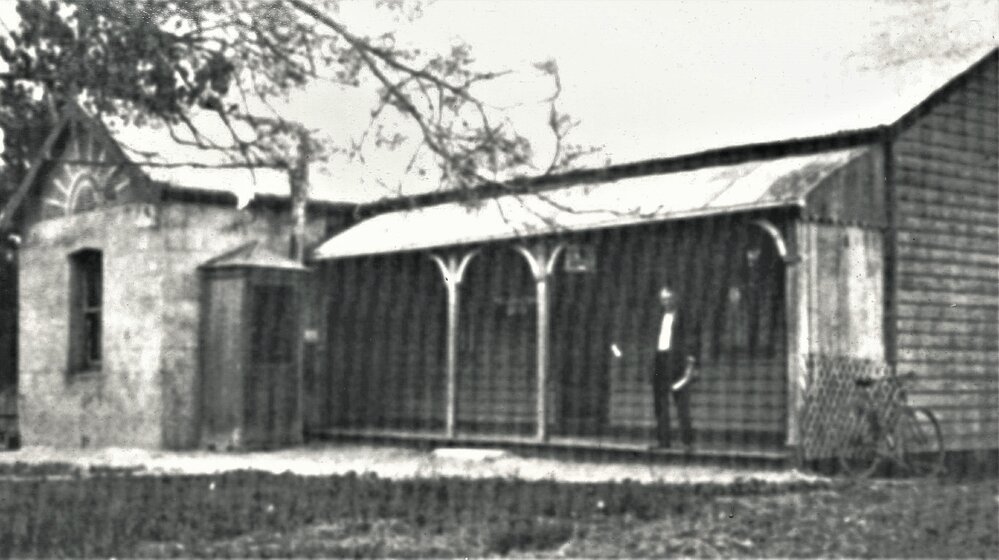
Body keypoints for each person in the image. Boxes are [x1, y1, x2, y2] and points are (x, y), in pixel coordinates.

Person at [651, 285, 698, 450]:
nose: (666, 302)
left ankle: (687, 441)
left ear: (675, 298)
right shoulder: (658, 316)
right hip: (660, 358)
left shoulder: (683, 317)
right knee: (660, 401)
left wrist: (690, 360)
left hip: (676, 359)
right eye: (663, 299)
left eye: (669, 298)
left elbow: (691, 338)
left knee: (681, 401)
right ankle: (663, 440)